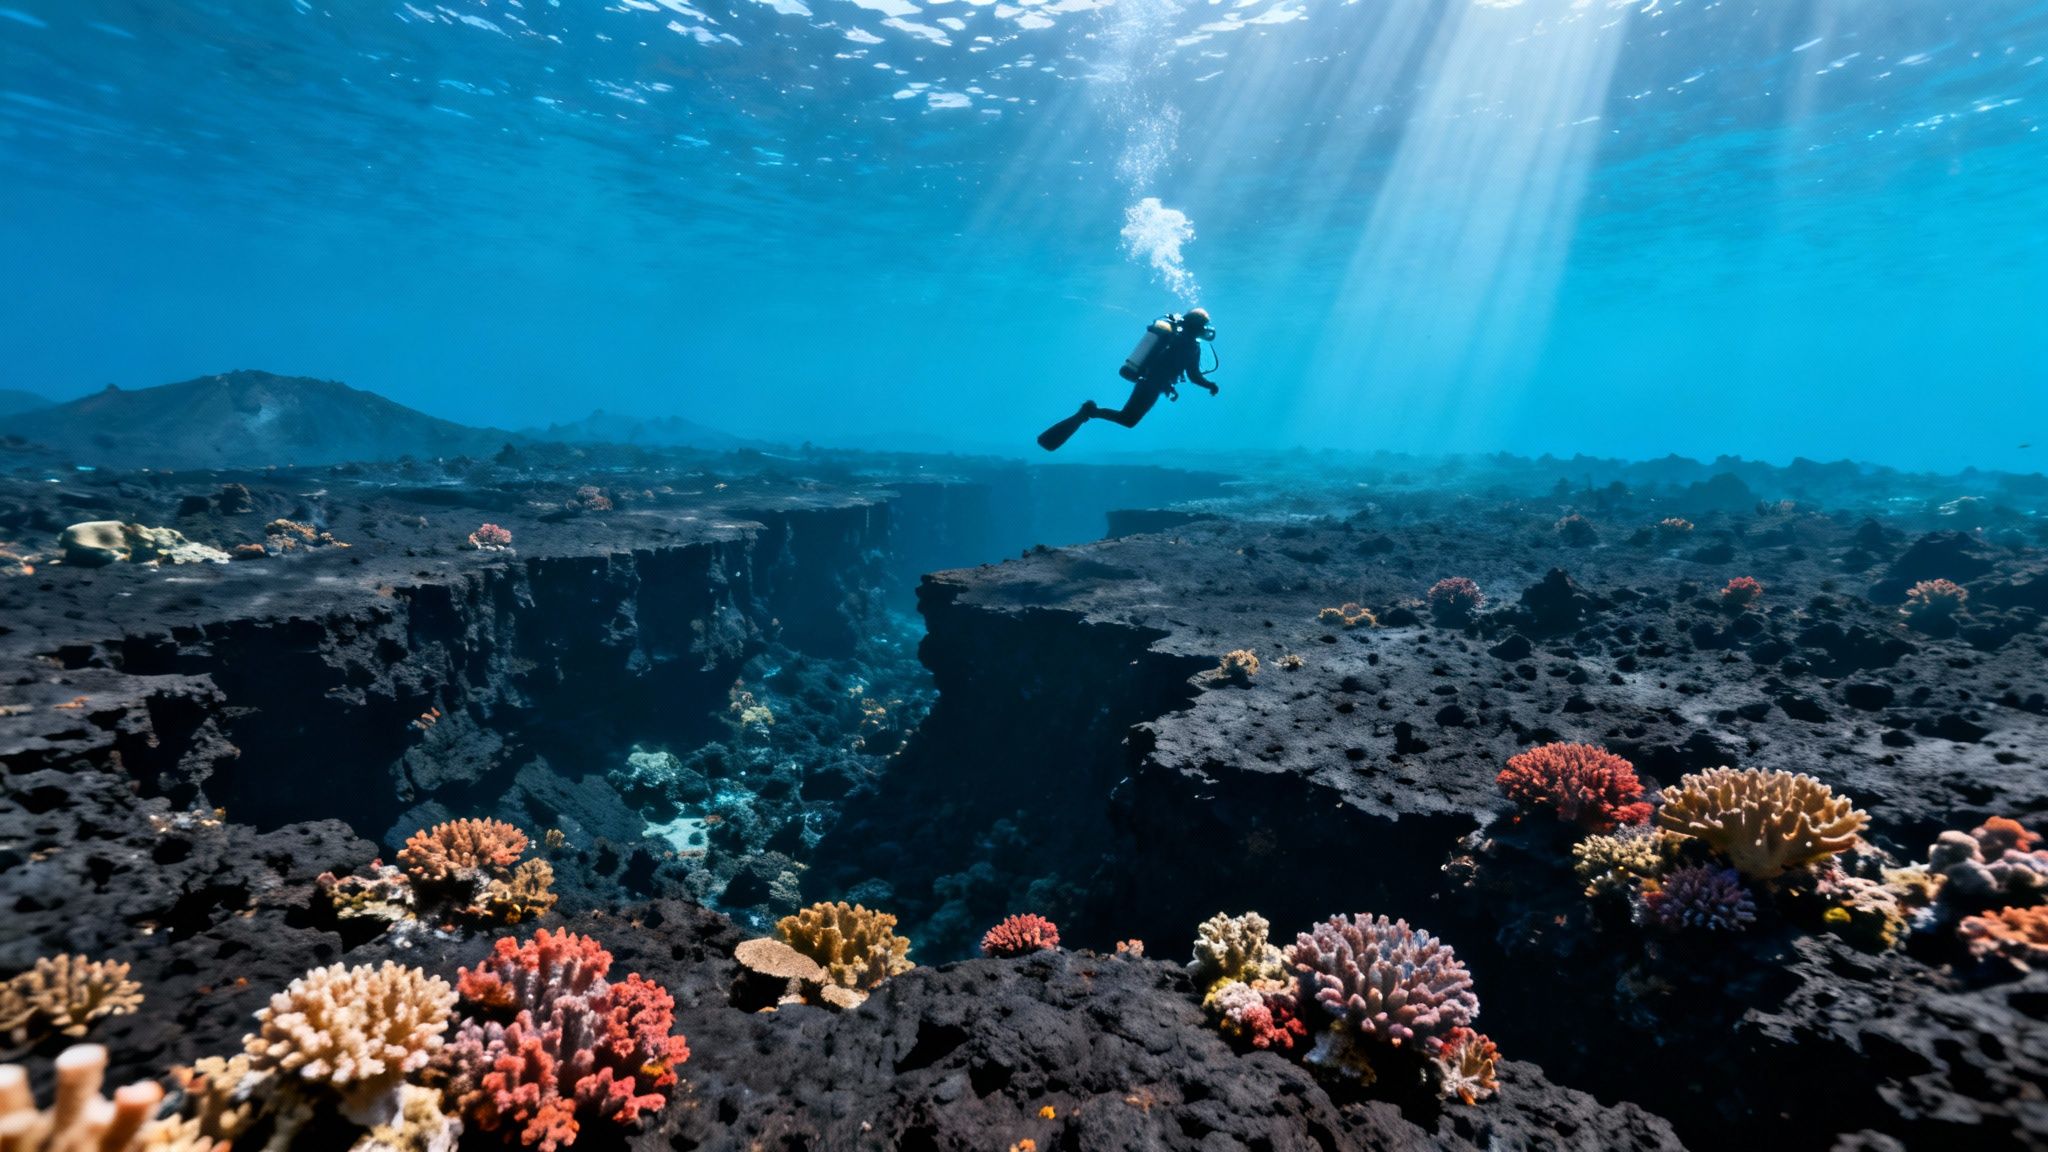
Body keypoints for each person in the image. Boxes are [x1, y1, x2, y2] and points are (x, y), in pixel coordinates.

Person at [1037, 307, 1219, 451]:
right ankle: (1089, 412)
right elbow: (1193, 375)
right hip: (1150, 386)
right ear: (1199, 327)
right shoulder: (1190, 346)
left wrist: (1167, 385)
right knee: (1128, 419)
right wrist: (1210, 385)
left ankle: (1090, 412)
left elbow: (1167, 366)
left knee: (1128, 419)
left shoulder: (1174, 339)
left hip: (1148, 383)